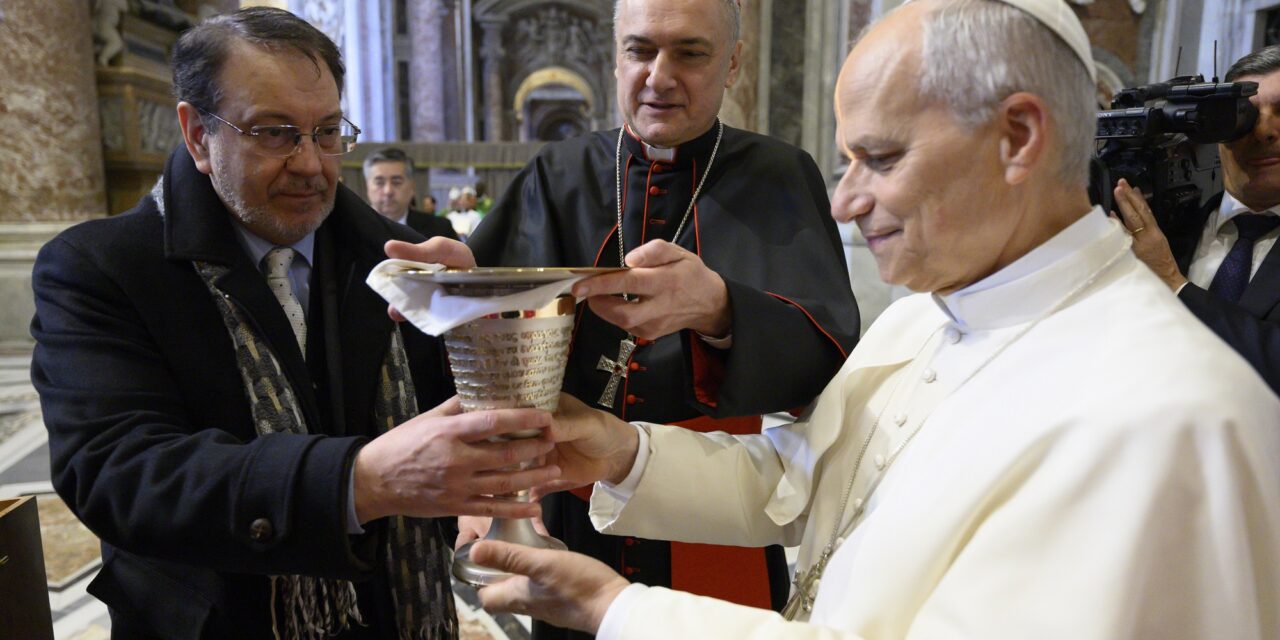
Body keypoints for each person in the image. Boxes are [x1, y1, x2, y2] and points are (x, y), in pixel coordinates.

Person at [463, 0, 1280, 637]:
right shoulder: (922, 317)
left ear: (1018, 136)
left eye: (881, 159)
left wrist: (627, 616)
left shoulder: (1162, 415)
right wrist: (623, 453)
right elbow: (802, 482)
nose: (846, 202)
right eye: (847, 159)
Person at [30, 8, 559, 639]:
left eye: (328, 131)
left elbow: (459, 424)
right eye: (275, 133)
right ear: (198, 134)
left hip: (391, 611)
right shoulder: (99, 268)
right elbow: (120, 474)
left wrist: (481, 328)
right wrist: (357, 482)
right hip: (215, 620)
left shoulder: (402, 255)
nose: (311, 164)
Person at [460, 0, 859, 634]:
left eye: (690, 53)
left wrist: (723, 311)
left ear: (733, 63)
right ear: (614, 58)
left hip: (718, 506)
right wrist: (450, 284)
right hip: (572, 508)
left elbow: (830, 361)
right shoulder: (557, 172)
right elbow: (485, 336)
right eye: (640, 51)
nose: (659, 76)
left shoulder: (780, 176)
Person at [1113, 45, 1280, 394]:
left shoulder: (1159, 258)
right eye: (1245, 116)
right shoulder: (1167, 227)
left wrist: (1173, 283)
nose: (1264, 131)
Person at [363, 146, 458, 240]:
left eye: (396, 182)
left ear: (412, 187)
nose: (388, 191)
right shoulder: (351, 228)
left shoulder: (440, 230)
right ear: (367, 186)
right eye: (379, 183)